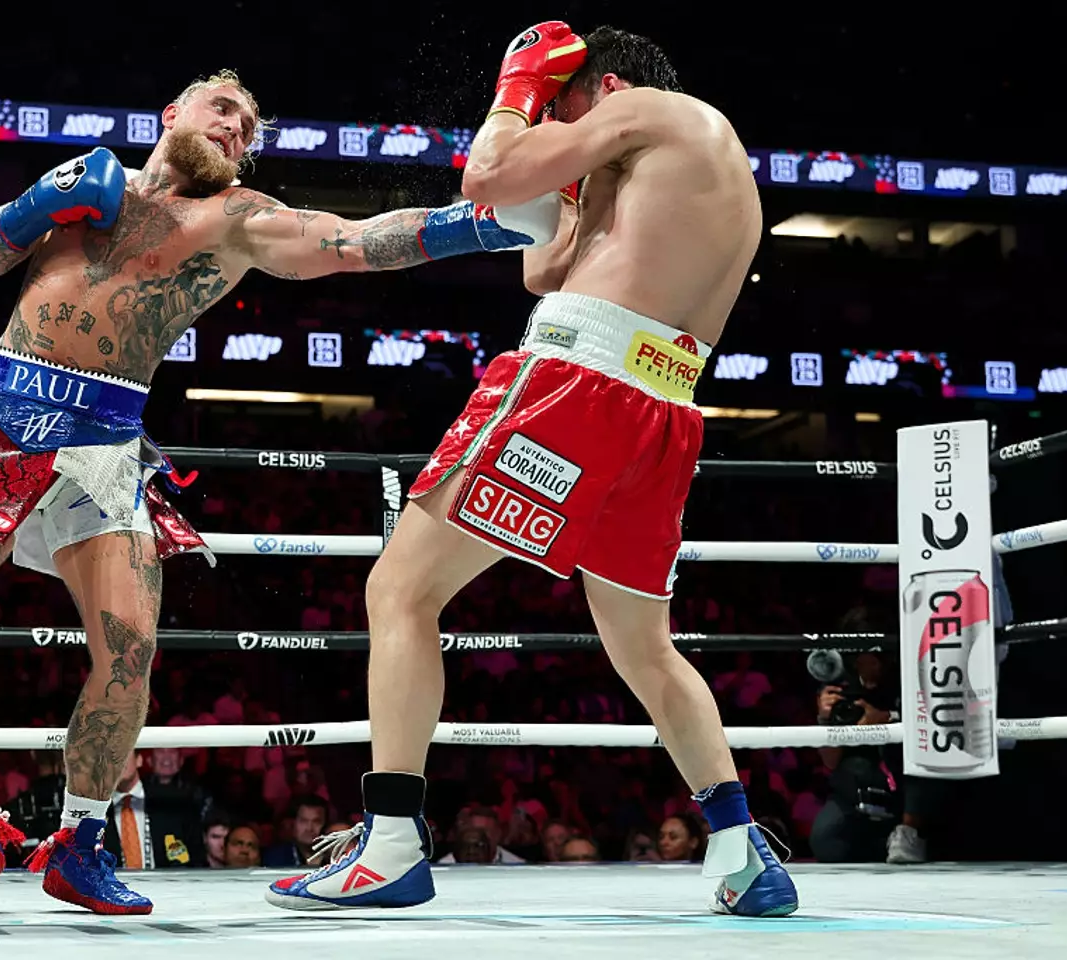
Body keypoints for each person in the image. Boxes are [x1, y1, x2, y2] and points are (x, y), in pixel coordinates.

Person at [0, 67, 563, 918]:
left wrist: (488, 224)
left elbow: (354, 241)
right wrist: (31, 206)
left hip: (103, 439)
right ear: (170, 114)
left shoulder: (236, 218)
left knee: (129, 648)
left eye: (248, 127)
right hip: (0, 411)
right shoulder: (82, 187)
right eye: (223, 111)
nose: (237, 129)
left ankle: (83, 841)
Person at [266, 23, 797, 918]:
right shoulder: (687, 174)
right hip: (660, 410)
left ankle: (391, 843)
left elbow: (487, 172)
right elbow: (544, 270)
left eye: (564, 105)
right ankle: (745, 854)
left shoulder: (662, 114)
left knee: (399, 590)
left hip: (575, 384)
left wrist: (516, 91)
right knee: (643, 646)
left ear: (609, 88)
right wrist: (577, 195)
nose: (552, 123)